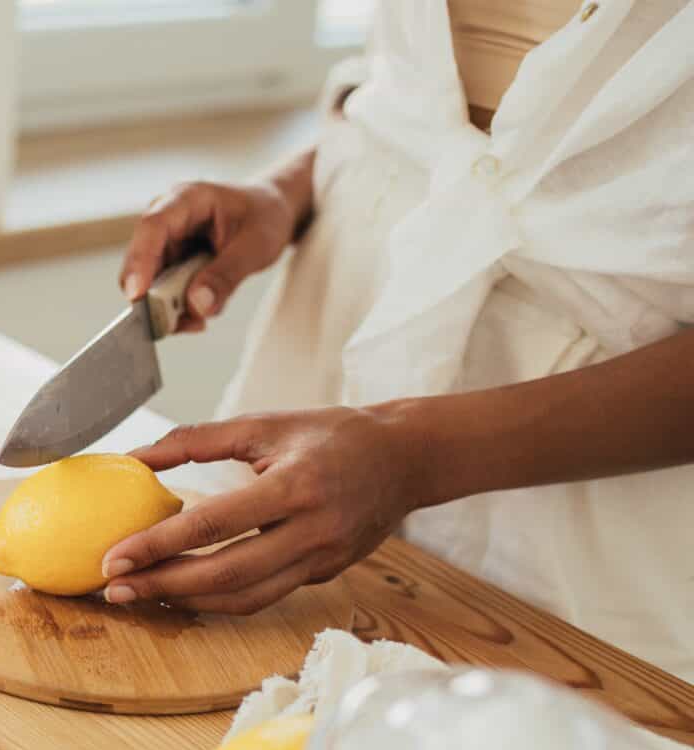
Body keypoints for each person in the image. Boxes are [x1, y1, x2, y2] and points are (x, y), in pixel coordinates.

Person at [99, 0, 694, 680]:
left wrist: (418, 454)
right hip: (327, 406)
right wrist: (284, 193)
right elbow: (398, 86)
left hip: (588, 578)